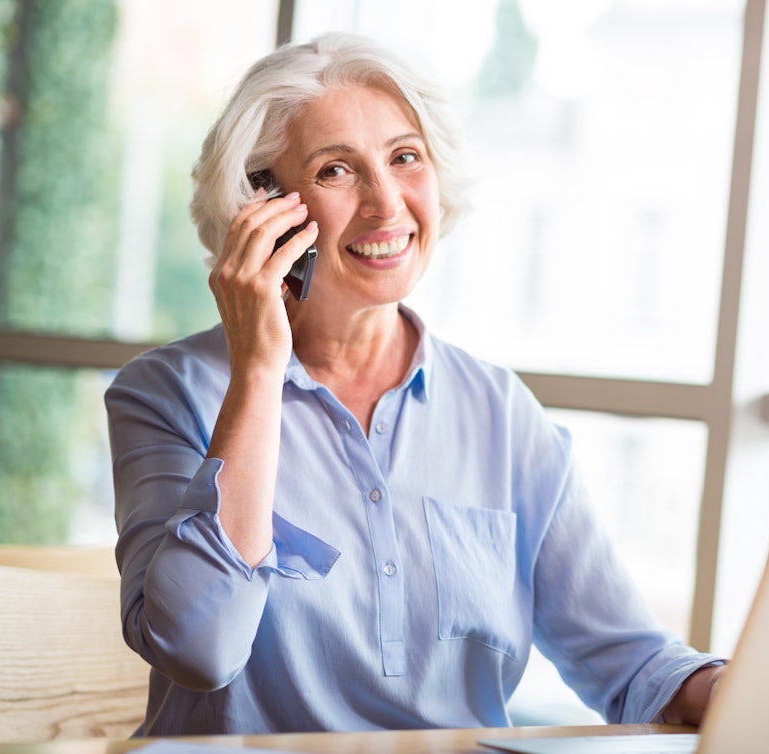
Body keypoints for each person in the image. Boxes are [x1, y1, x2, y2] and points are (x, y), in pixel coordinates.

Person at [105, 31, 726, 736]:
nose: (386, 204)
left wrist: (748, 688)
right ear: (261, 206)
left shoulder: (499, 412)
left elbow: (634, 667)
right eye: (337, 170)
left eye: (405, 158)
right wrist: (257, 368)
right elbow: (199, 650)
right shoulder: (165, 393)